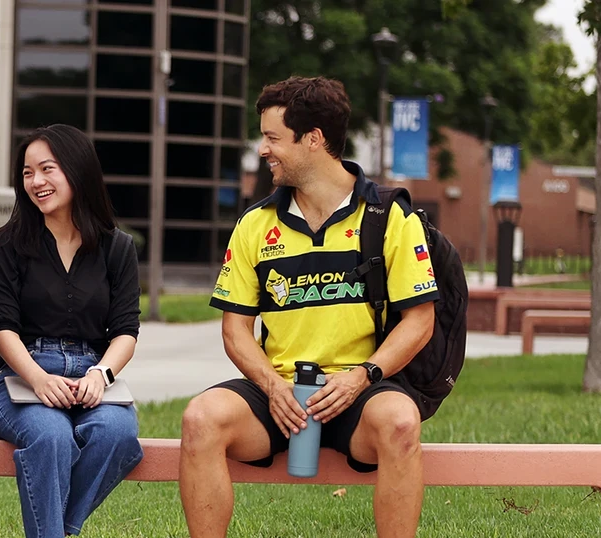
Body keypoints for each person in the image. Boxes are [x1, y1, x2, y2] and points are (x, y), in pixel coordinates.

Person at [179, 76, 438, 538]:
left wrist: (362, 376)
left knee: (401, 423)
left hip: (358, 392)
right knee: (200, 418)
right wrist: (272, 387)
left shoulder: (388, 217)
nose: (263, 149)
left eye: (273, 138)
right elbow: (235, 331)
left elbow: (420, 321)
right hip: (277, 395)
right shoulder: (254, 225)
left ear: (314, 140)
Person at [0, 124, 143, 538]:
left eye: (47, 169)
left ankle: (60, 528)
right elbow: (2, 328)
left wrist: (100, 374)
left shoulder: (117, 247)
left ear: (76, 170)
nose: (36, 181)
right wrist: (37, 379)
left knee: (118, 433)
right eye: (27, 172)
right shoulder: (6, 244)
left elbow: (126, 330)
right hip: (21, 377)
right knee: (51, 435)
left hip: (92, 372)